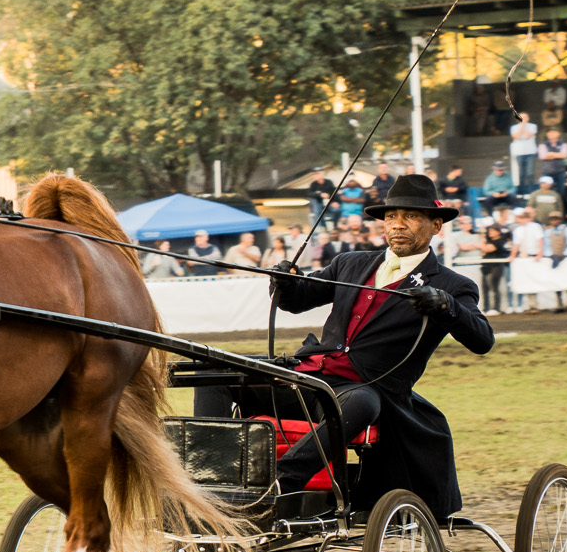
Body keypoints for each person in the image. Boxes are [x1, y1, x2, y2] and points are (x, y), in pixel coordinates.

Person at [206, 174, 493, 518]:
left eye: (411, 217)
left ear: (435, 226)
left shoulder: (453, 285)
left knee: (360, 401)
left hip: (363, 393)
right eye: (390, 217)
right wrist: (284, 279)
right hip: (308, 380)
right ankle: (212, 475)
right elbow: (297, 300)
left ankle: (282, 481)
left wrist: (446, 306)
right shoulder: (350, 263)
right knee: (217, 370)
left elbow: (482, 339)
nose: (397, 225)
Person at [508, 112, 539, 190]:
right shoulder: (513, 128)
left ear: (528, 118)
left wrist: (523, 126)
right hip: (519, 152)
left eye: (524, 117)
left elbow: (528, 135)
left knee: (530, 173)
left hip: (531, 152)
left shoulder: (533, 126)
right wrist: (521, 126)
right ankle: (521, 191)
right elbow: (517, 137)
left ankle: (531, 191)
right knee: (521, 174)